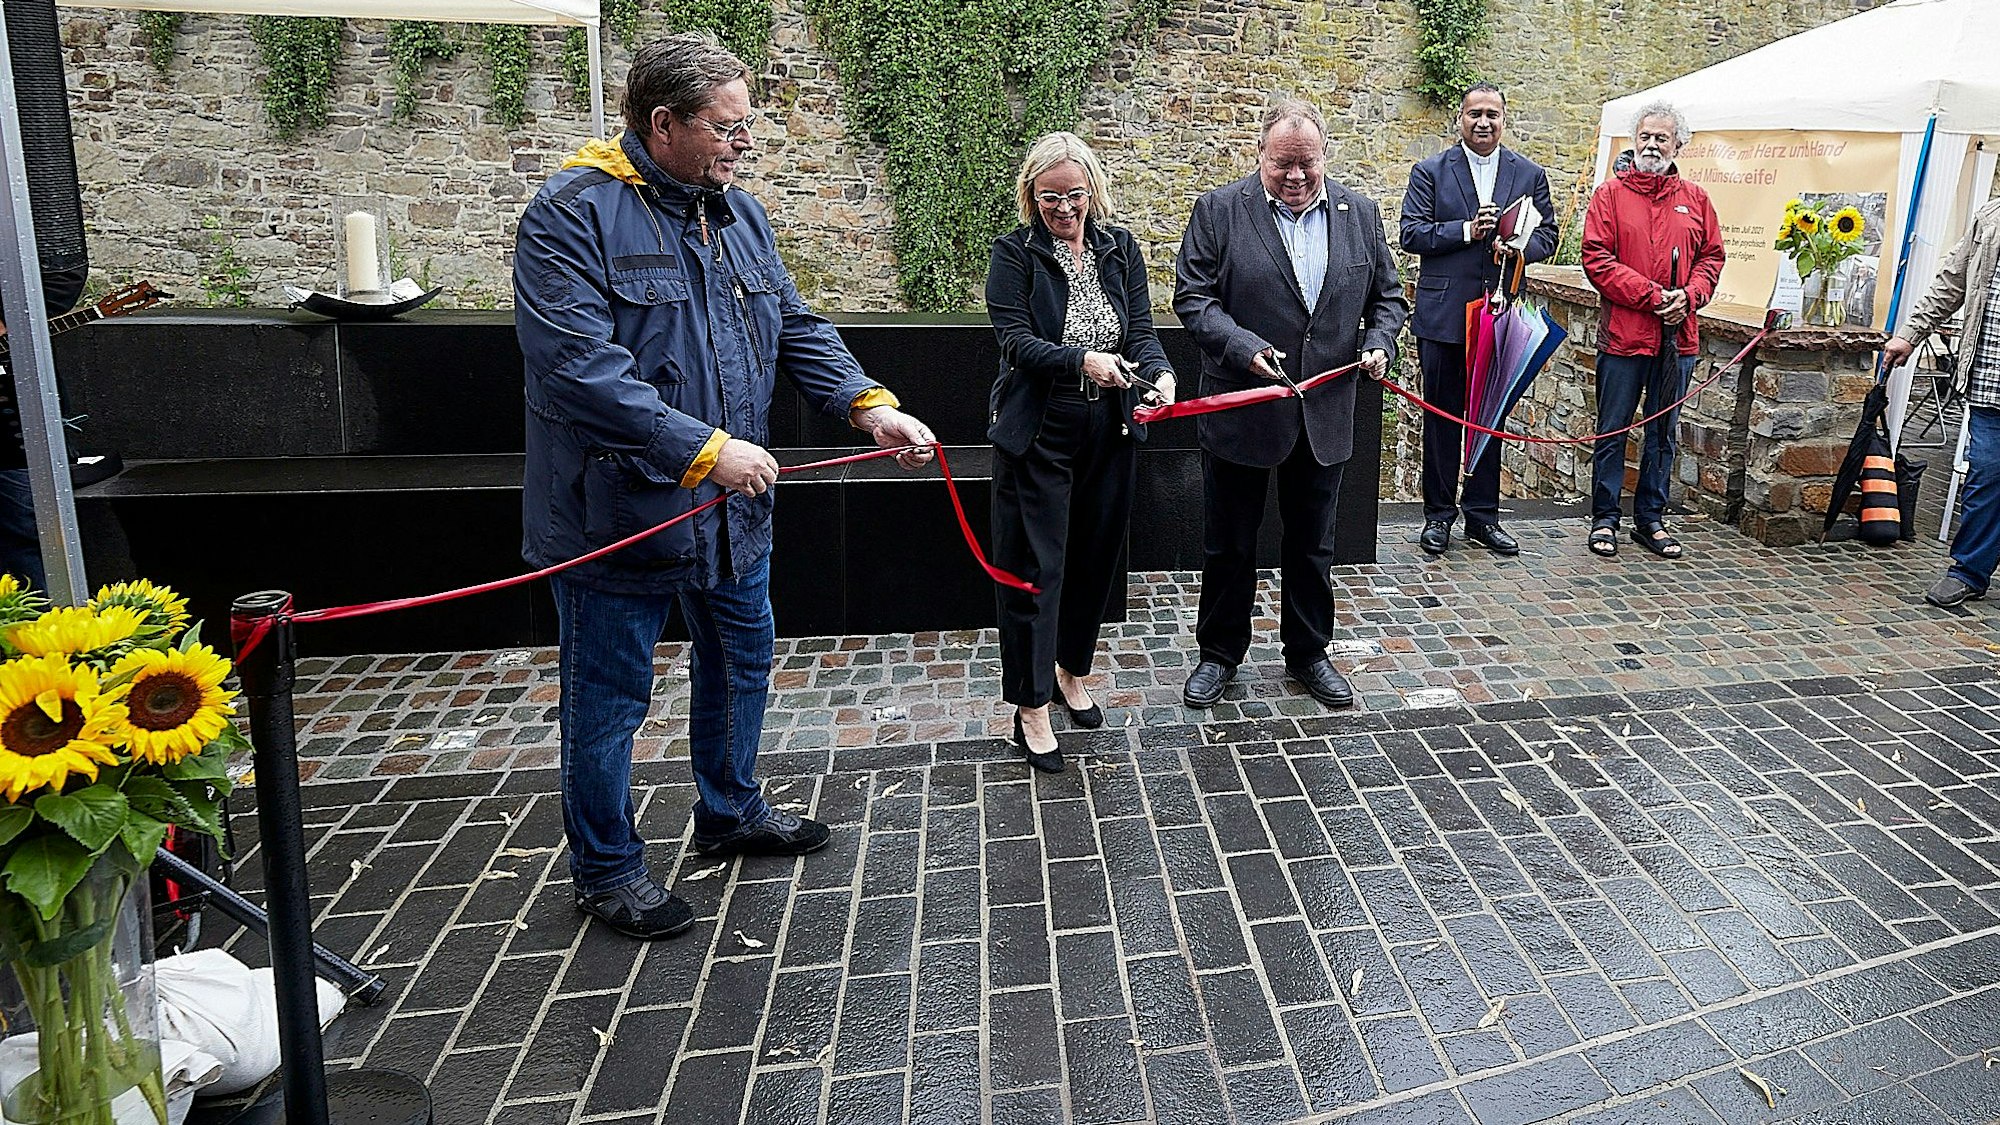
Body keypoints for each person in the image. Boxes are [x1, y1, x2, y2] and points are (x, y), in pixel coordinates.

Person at [513, 33, 938, 940]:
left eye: (748, 124)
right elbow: (579, 372)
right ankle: (607, 867)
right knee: (608, 703)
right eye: (726, 126)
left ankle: (730, 809)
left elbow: (793, 325)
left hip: (731, 513)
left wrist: (869, 407)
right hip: (616, 516)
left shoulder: (736, 215)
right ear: (661, 123)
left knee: (742, 660)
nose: (744, 142)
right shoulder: (569, 215)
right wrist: (706, 449)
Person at [1172, 98, 1407, 710]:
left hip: (1324, 409)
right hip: (1242, 405)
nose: (1296, 177)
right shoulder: (1219, 211)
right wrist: (1244, 347)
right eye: (1282, 165)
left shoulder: (1360, 214)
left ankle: (1308, 652)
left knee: (1313, 544)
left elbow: (1388, 298)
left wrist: (1379, 342)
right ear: (1259, 155)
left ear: (1325, 156)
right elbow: (1193, 299)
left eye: (1307, 164)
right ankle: (1219, 653)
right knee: (1230, 542)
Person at [984, 132, 1176, 772]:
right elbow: (1014, 342)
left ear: (1094, 190)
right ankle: (1030, 706)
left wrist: (1161, 372)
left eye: (1074, 194)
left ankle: (1070, 673)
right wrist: (1081, 361)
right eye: (1048, 198)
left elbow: (1142, 330)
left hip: (1111, 426)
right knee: (1037, 572)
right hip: (1043, 428)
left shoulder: (1120, 249)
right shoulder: (1014, 254)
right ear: (1029, 196)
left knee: (1096, 561)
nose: (1063, 208)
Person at [1399, 82, 1559, 557]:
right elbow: (1411, 232)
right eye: (1474, 114)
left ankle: (1483, 518)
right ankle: (1439, 517)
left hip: (1502, 313)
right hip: (1446, 316)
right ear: (1460, 119)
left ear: (1504, 120)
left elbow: (1547, 234)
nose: (1483, 122)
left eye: (1492, 114)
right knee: (1444, 418)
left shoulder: (1529, 174)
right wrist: (1466, 230)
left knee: (1491, 419)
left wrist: (1519, 247)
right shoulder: (1430, 171)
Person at [1580, 100, 1725, 560]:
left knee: (1664, 430)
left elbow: (1712, 258)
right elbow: (1597, 259)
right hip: (1626, 335)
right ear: (1633, 140)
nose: (1651, 145)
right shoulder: (1610, 195)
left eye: (1661, 138)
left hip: (1677, 339)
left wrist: (1690, 296)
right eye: (1645, 136)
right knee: (1613, 428)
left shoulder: (1696, 199)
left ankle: (1650, 518)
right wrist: (1652, 295)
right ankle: (1605, 518)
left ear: (1678, 144)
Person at [1882, 194, 2000, 608]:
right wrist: (1911, 333)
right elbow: (1952, 281)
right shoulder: (1990, 216)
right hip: (1991, 380)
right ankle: (1969, 570)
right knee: (1985, 475)